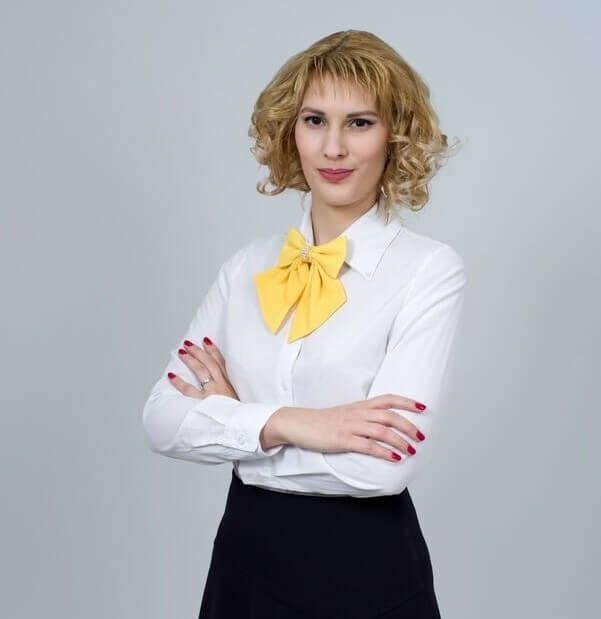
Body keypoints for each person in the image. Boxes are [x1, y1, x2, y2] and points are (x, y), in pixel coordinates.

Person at [142, 29, 466, 619]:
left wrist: (235, 425)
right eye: (315, 120)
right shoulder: (245, 267)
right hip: (243, 568)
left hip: (366, 578)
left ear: (395, 135)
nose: (333, 147)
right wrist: (301, 424)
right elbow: (161, 420)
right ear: (290, 130)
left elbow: (381, 468)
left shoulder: (429, 270)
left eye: (360, 123)